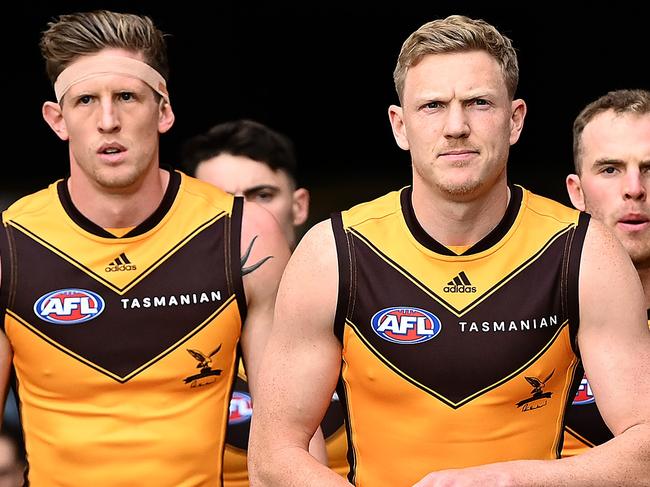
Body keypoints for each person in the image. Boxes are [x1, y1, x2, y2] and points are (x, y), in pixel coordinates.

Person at [248, 14, 650, 486]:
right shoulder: (333, 253)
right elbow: (273, 458)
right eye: (433, 106)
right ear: (399, 126)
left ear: (515, 119)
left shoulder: (584, 252)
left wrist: (507, 481)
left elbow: (644, 450)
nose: (456, 126)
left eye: (479, 103)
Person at [0, 10, 290, 486]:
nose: (108, 120)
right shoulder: (10, 244)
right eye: (86, 100)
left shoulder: (243, 235)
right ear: (57, 119)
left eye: (127, 97)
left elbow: (286, 440)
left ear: (163, 111)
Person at [181, 119, 349, 485]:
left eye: (262, 195)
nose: (247, 218)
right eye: (222, 201)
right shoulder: (171, 329)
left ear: (299, 206)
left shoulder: (360, 308)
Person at [563, 88, 650, 456]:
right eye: (610, 169)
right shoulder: (525, 311)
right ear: (577, 192)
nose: (634, 190)